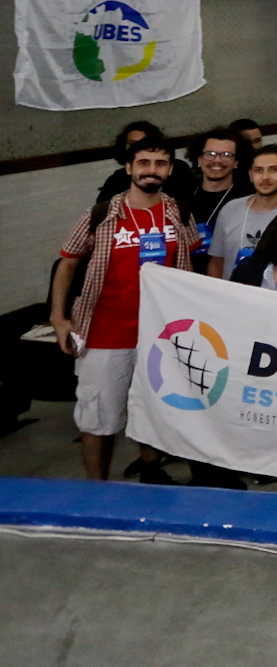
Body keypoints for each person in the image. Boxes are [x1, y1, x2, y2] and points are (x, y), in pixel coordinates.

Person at [49, 134, 201, 483]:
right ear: (129, 167)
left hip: (161, 334)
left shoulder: (179, 212)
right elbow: (67, 263)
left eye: (160, 163)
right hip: (105, 334)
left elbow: (193, 259)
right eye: (144, 163)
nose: (152, 170)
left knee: (154, 408)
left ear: (171, 169)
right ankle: (97, 489)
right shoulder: (100, 215)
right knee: (97, 417)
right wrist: (59, 318)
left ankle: (151, 470)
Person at [208, 144, 277, 278]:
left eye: (273, 170)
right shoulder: (230, 209)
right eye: (258, 170)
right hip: (231, 295)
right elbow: (217, 261)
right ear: (250, 175)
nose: (265, 177)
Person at [185, 127, 250, 259]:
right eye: (210, 154)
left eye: (226, 155)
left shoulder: (248, 198)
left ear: (236, 162)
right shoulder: (183, 196)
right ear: (198, 159)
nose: (217, 160)